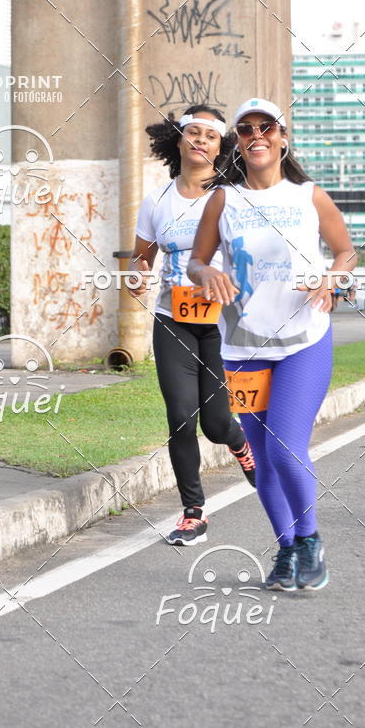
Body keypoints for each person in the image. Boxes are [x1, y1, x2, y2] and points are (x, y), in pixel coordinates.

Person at [187, 97, 355, 590]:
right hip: (242, 347)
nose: (256, 135)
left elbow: (344, 251)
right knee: (262, 462)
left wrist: (333, 279)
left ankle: (309, 540)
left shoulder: (309, 196)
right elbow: (196, 262)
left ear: (283, 137)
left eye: (267, 127)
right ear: (237, 142)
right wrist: (207, 273)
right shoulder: (223, 199)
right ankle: (286, 550)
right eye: (246, 129)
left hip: (304, 338)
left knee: (284, 448)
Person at [128, 105, 256, 546]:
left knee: (216, 424)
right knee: (181, 417)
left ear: (222, 148)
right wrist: (137, 275)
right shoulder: (156, 201)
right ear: (178, 140)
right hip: (172, 321)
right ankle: (193, 513)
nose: (200, 140)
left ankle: (241, 445)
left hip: (223, 323)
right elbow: (142, 257)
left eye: (211, 136)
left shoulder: (235, 197)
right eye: (193, 133)